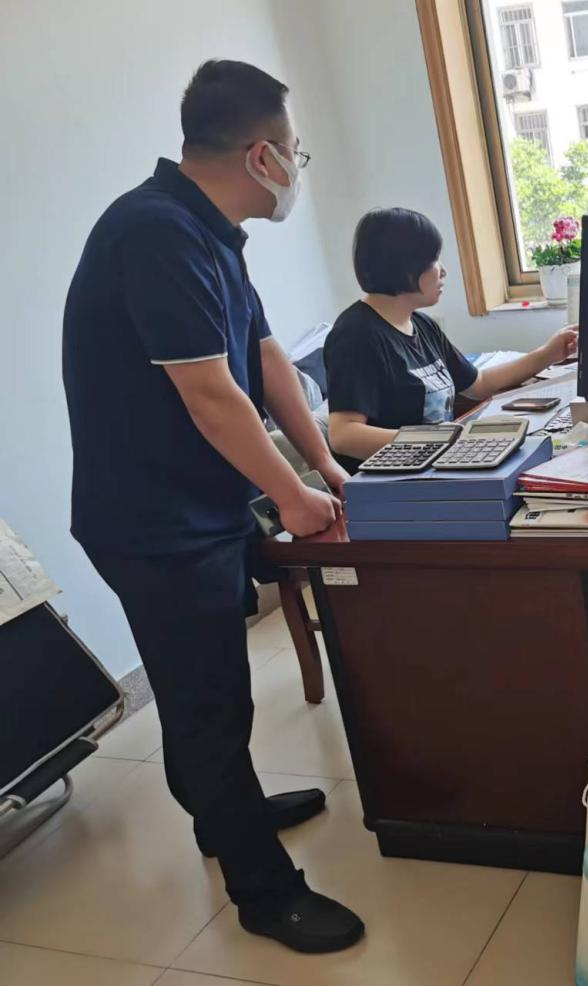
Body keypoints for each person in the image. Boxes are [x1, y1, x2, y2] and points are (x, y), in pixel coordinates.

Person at [62, 60, 364, 953]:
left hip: (199, 502)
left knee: (208, 693)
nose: (298, 167)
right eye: (296, 150)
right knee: (209, 706)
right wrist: (290, 495)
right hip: (152, 522)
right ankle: (265, 894)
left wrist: (323, 465)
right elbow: (209, 395)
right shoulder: (155, 233)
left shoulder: (210, 230)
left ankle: (221, 814)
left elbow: (265, 360)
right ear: (263, 154)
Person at [324, 207, 578, 469]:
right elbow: (344, 435)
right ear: (404, 265)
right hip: (398, 479)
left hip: (441, 463)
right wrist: (446, 441)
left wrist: (548, 354)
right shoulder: (356, 335)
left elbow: (478, 383)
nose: (442, 271)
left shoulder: (421, 324)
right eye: (433, 260)